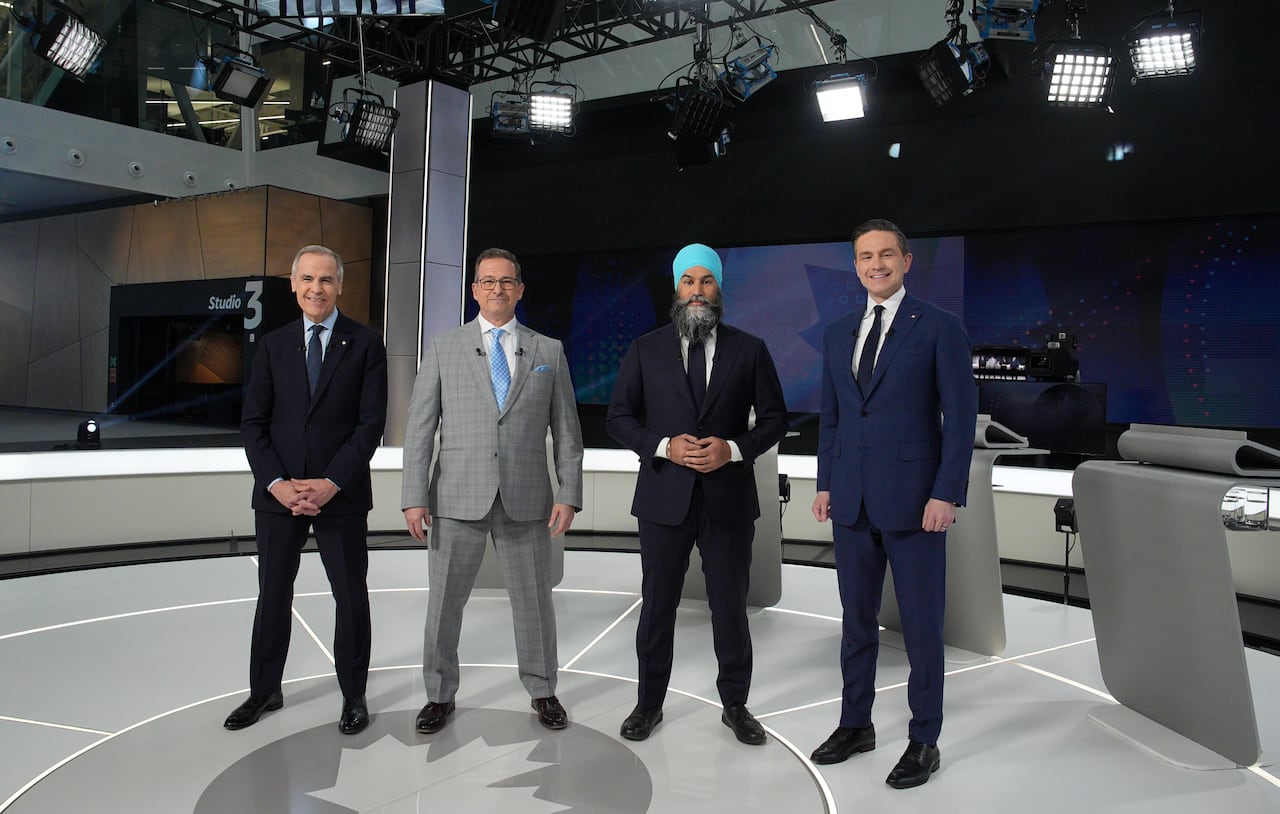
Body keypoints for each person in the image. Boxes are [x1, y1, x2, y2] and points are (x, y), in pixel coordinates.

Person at [809, 219, 977, 788]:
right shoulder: (837, 333)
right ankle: (855, 724)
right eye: (865, 256)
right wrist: (826, 483)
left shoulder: (940, 327)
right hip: (852, 502)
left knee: (922, 630)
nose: (875, 264)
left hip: (916, 503)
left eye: (886, 254)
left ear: (906, 262)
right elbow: (834, 417)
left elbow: (960, 420)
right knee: (856, 623)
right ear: (855, 265)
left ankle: (924, 738)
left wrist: (946, 492)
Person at [606, 243, 788, 745]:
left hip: (728, 500)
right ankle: (648, 705)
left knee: (729, 607)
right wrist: (664, 446)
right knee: (657, 606)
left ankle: (736, 706)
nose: (697, 291)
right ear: (676, 288)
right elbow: (619, 418)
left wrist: (733, 449)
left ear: (719, 289)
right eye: (688, 281)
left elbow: (775, 419)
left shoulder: (750, 349)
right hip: (664, 499)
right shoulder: (645, 349)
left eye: (706, 281)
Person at [402, 247, 583, 735]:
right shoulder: (443, 347)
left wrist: (569, 491)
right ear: (475, 290)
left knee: (535, 603)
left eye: (506, 281)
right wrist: (414, 496)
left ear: (520, 290)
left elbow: (568, 432)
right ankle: (439, 694)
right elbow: (420, 429)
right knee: (444, 604)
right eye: (487, 281)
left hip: (526, 497)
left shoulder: (548, 351)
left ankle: (543, 690)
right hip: (456, 496)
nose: (497, 289)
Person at [229, 245, 388, 735]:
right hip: (280, 496)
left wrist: (331, 483)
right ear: (293, 285)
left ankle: (354, 695)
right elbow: (253, 424)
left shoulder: (366, 343)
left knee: (350, 596)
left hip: (341, 495)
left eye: (326, 280)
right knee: (273, 594)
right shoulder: (272, 345)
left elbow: (370, 425)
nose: (316, 289)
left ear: (340, 285)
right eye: (307, 279)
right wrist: (277, 484)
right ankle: (264, 691)